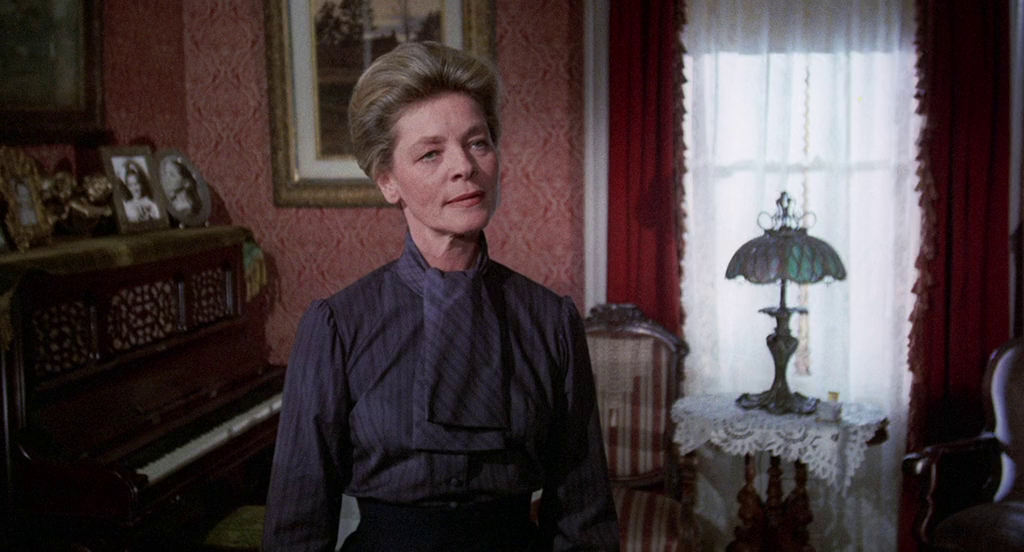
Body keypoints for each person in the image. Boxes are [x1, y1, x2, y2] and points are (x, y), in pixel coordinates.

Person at [262, 41, 619, 552]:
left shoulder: (550, 320)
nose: (464, 167)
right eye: (431, 153)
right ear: (389, 181)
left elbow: (584, 517)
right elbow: (296, 527)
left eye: (478, 143)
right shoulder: (339, 326)